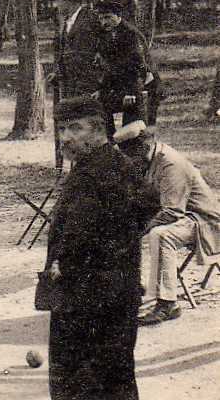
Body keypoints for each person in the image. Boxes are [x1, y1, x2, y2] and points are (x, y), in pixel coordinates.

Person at [42, 96, 155, 400]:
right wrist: (123, 245)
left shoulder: (92, 174)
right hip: (118, 294)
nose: (65, 137)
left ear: (97, 130)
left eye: (74, 128)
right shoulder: (119, 164)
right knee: (116, 381)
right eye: (62, 128)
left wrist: (64, 264)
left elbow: (79, 233)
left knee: (78, 385)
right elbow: (150, 203)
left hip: (86, 300)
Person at [114, 123, 220, 326]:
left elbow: (172, 212)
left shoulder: (170, 163)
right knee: (123, 225)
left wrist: (141, 230)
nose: (130, 163)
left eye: (131, 156)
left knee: (161, 235)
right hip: (181, 217)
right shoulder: (147, 160)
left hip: (203, 221)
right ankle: (132, 287)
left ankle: (167, 304)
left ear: (144, 147)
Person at [95, 1, 161, 129]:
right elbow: (111, 66)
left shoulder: (131, 34)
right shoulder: (107, 34)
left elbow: (139, 65)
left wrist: (132, 92)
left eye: (108, 17)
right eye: (101, 18)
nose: (104, 22)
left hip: (141, 86)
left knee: (136, 129)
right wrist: (101, 89)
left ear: (119, 16)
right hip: (123, 86)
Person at [48, 0, 103, 99]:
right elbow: (60, 51)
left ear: (69, 0)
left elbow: (102, 48)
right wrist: (56, 72)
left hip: (87, 82)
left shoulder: (91, 18)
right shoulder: (65, 22)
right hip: (68, 82)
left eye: (58, 1)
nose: (56, 5)